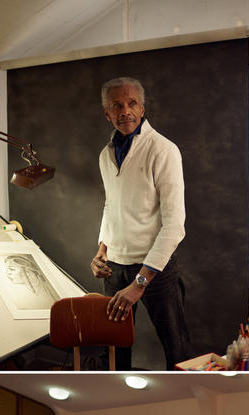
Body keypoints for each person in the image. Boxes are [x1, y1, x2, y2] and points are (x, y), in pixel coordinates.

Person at [91, 76, 192, 370]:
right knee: (116, 356)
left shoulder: (163, 150)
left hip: (154, 270)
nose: (125, 111)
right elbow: (112, 205)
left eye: (132, 103)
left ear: (143, 108)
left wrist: (140, 282)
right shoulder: (105, 155)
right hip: (115, 267)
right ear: (107, 114)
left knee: (178, 353)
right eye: (117, 106)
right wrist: (102, 249)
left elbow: (175, 225)